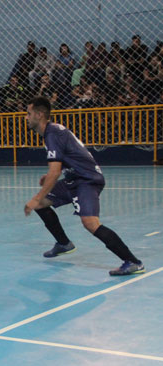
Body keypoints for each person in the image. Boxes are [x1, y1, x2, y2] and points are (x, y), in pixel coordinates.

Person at [23, 96, 144, 276]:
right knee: (41, 205)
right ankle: (63, 243)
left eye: (28, 113)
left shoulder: (52, 134)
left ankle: (133, 262)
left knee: (90, 223)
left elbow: (55, 172)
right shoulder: (53, 132)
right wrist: (49, 178)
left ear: (39, 115)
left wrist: (36, 197)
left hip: (86, 180)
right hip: (74, 178)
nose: (25, 117)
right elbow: (68, 159)